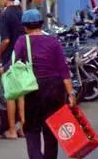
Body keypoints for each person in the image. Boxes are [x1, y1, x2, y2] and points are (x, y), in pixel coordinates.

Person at [13, 9, 76, 159]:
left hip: (33, 89)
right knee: (52, 131)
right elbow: (63, 70)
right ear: (41, 24)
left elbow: (14, 65)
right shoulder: (53, 41)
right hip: (55, 89)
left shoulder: (22, 41)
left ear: (25, 27)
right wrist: (71, 93)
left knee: (32, 131)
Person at [0, 0, 25, 139]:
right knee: (21, 94)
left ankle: (12, 130)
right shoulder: (20, 11)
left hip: (10, 58)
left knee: (10, 95)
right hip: (22, 56)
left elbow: (6, 40)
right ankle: (22, 127)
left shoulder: (5, 14)